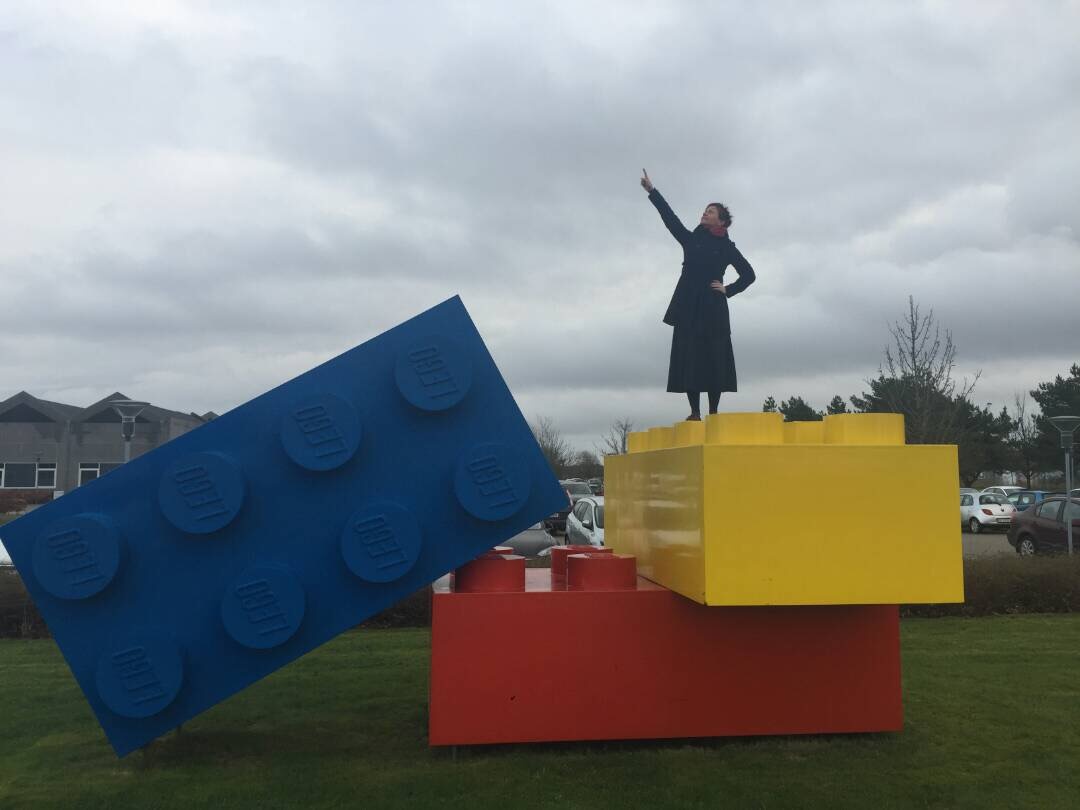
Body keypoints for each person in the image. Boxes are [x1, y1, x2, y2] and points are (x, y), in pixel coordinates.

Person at [640, 169, 755, 420]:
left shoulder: (727, 248)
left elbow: (749, 275)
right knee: (689, 355)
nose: (705, 212)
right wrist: (652, 191)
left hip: (714, 307)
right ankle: (694, 412)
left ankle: (714, 411)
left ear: (722, 221)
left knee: (714, 356)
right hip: (688, 306)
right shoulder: (692, 239)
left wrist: (728, 289)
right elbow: (669, 218)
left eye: (710, 211)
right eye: (705, 209)